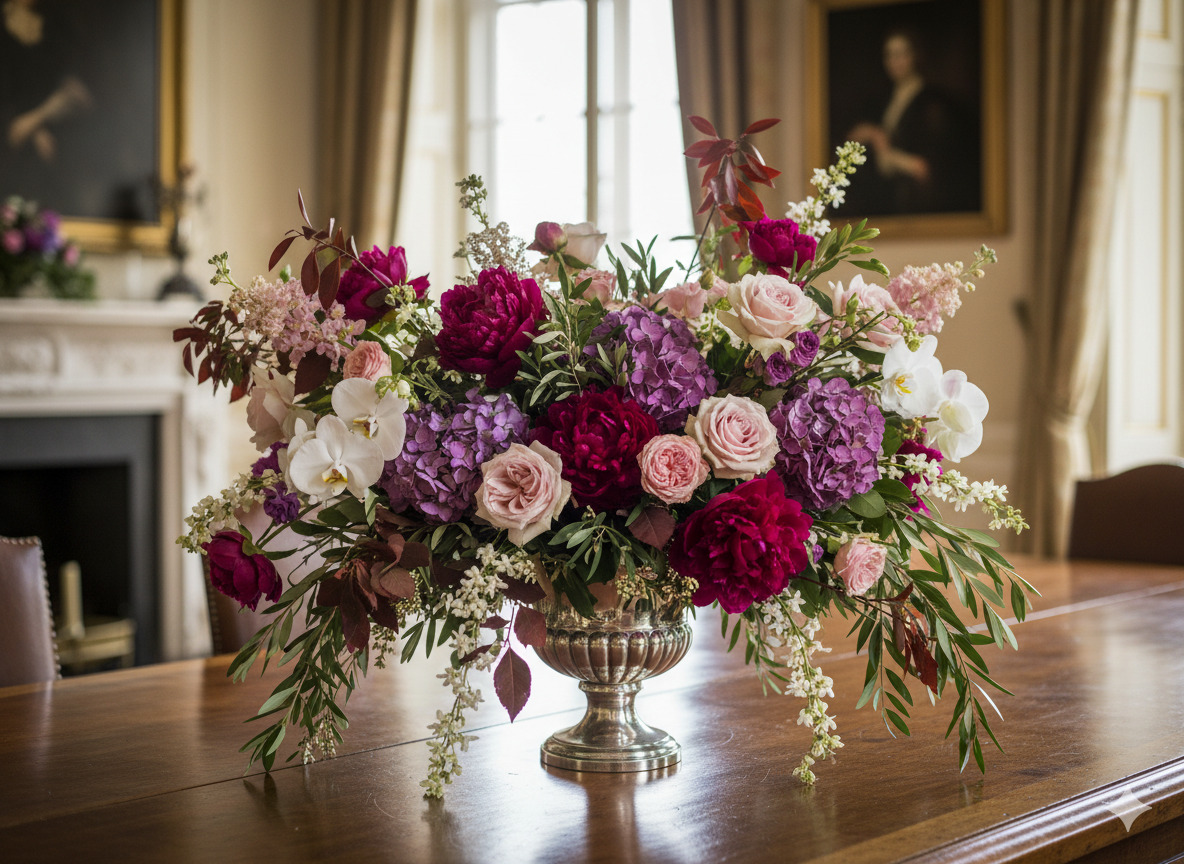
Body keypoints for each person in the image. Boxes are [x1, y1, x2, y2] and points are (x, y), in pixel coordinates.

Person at [843, 27, 978, 216]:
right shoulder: (882, 101)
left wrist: (884, 148)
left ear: (915, 55)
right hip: (885, 204)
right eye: (889, 55)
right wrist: (872, 134)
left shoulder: (932, 103)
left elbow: (927, 169)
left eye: (901, 54)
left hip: (919, 204)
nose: (894, 62)